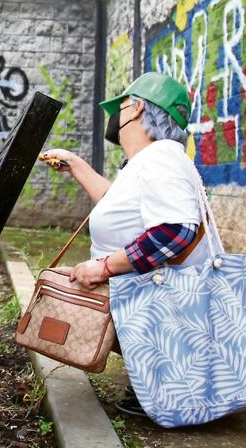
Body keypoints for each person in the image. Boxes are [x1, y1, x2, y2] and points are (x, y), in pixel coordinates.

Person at [41, 71, 208, 416]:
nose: (116, 117)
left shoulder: (161, 159)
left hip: (164, 309)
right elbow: (116, 202)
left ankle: (171, 383)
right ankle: (155, 380)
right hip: (157, 308)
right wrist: (75, 164)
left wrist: (103, 267)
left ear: (136, 110)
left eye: (122, 107)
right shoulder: (151, 160)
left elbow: (176, 230)